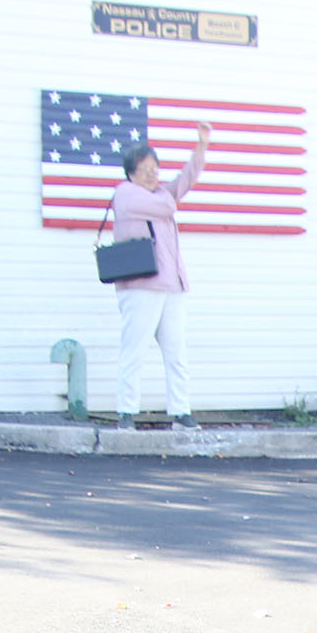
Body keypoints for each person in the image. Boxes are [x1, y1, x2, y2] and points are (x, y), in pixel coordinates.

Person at [109, 123, 208, 429]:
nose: (153, 174)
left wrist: (201, 148)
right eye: (146, 169)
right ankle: (126, 412)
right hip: (141, 285)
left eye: (155, 168)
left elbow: (184, 182)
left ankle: (181, 411)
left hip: (172, 285)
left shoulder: (159, 195)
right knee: (134, 350)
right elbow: (169, 202)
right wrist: (170, 193)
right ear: (131, 173)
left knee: (176, 352)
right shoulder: (126, 194)